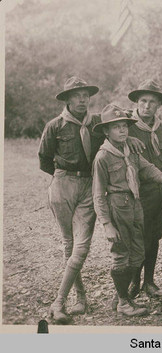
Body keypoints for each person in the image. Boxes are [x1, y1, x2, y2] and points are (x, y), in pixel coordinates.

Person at [92, 104, 162, 317]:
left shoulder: (129, 150)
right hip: (118, 208)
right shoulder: (103, 157)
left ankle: (122, 295)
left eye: (124, 126)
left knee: (138, 251)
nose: (123, 130)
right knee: (121, 255)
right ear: (106, 131)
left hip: (135, 205)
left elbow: (148, 168)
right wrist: (107, 225)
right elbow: (98, 195)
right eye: (116, 127)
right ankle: (123, 301)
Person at [38, 76, 101, 324]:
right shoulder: (55, 126)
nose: (82, 99)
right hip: (63, 184)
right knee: (69, 244)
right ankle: (80, 296)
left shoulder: (96, 124)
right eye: (76, 95)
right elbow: (44, 159)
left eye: (85, 94)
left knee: (82, 247)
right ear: (67, 99)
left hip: (89, 185)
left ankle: (58, 302)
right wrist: (62, 179)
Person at [126, 79, 162, 298]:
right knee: (136, 237)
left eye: (152, 102)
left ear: (158, 105)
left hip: (160, 191)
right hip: (136, 191)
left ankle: (149, 281)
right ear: (137, 102)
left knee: (154, 236)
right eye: (143, 101)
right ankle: (133, 282)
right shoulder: (126, 127)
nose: (147, 106)